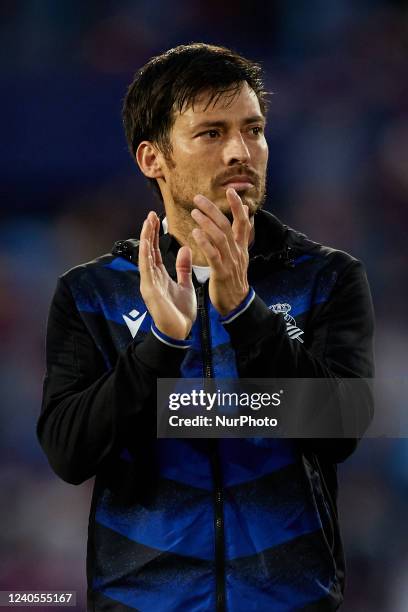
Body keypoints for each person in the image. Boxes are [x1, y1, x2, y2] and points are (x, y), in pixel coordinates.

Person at [37, 43, 375, 611]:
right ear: (152, 158)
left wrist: (245, 313)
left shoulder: (327, 277)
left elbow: (340, 430)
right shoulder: (93, 294)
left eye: (254, 129)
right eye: (212, 133)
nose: (242, 151)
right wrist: (158, 348)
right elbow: (70, 454)